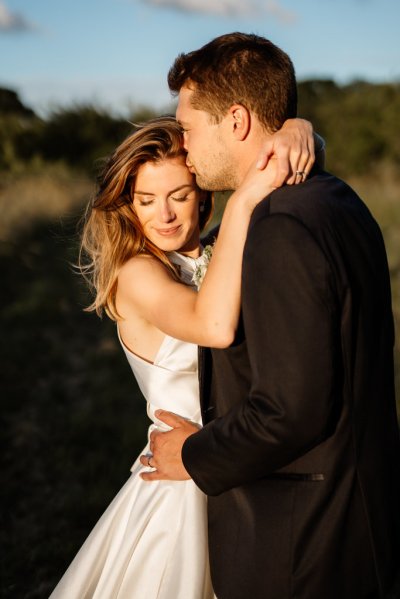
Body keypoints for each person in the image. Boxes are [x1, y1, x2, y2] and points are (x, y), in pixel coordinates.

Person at [143, 33, 400, 599]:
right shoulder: (335, 197)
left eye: (188, 128)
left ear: (236, 121)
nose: (183, 146)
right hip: (356, 517)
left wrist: (191, 453)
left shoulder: (280, 230)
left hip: (301, 542)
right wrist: (305, 131)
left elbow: (290, 410)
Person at [49, 115, 317, 598]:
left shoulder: (220, 252)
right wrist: (244, 201)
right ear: (127, 206)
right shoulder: (136, 273)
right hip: (181, 483)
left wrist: (301, 129)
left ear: (203, 195)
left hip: (238, 460)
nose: (165, 215)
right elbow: (211, 324)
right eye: (146, 200)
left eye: (179, 195)